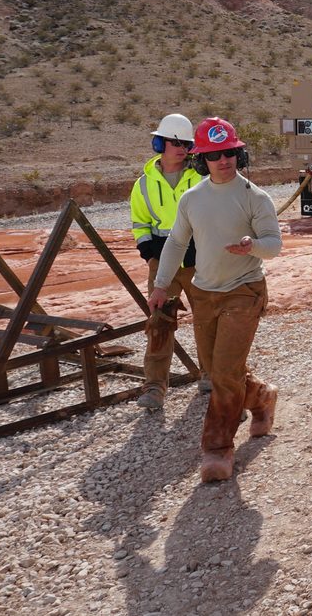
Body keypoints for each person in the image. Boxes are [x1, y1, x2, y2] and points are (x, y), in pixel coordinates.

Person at [148, 117, 282, 482]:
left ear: (238, 154)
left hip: (245, 290)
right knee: (219, 368)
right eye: (214, 155)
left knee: (222, 373)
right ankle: (262, 396)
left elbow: (274, 244)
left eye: (229, 153)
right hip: (205, 294)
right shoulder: (192, 199)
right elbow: (175, 243)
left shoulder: (255, 197)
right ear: (201, 160)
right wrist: (161, 286)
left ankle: (217, 450)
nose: (223, 161)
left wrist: (251, 246)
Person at [130, 113, 204, 409]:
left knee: (207, 320)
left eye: (185, 142)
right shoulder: (144, 184)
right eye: (175, 141)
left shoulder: (200, 177)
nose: (181, 147)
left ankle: (210, 377)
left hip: (199, 259)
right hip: (162, 262)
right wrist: (150, 255)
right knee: (160, 323)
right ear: (160, 142)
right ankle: (154, 388)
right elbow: (140, 223)